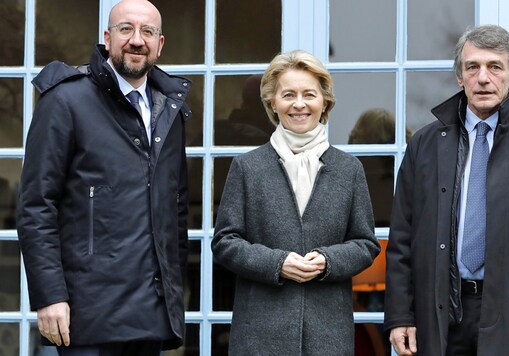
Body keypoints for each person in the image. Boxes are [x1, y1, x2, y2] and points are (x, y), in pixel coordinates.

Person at [385, 24, 509, 356]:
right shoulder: (425, 145)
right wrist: (401, 315)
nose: (483, 77)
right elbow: (402, 237)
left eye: (495, 66)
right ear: (460, 77)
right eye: (472, 67)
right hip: (441, 315)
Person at [17, 0, 191, 354]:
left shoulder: (170, 111)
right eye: (126, 29)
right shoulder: (65, 100)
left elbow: (177, 211)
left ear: (160, 43)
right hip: (87, 311)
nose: (136, 40)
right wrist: (49, 296)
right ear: (108, 38)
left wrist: (174, 294)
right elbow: (36, 206)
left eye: (148, 31)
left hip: (150, 312)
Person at [211, 49, 381, 355]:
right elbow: (225, 242)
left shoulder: (349, 169)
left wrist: (328, 261)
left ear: (324, 101)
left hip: (327, 334)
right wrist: (277, 264)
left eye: (309, 94)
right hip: (260, 334)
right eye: (288, 94)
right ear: (272, 103)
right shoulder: (247, 167)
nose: (299, 104)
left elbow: (365, 244)